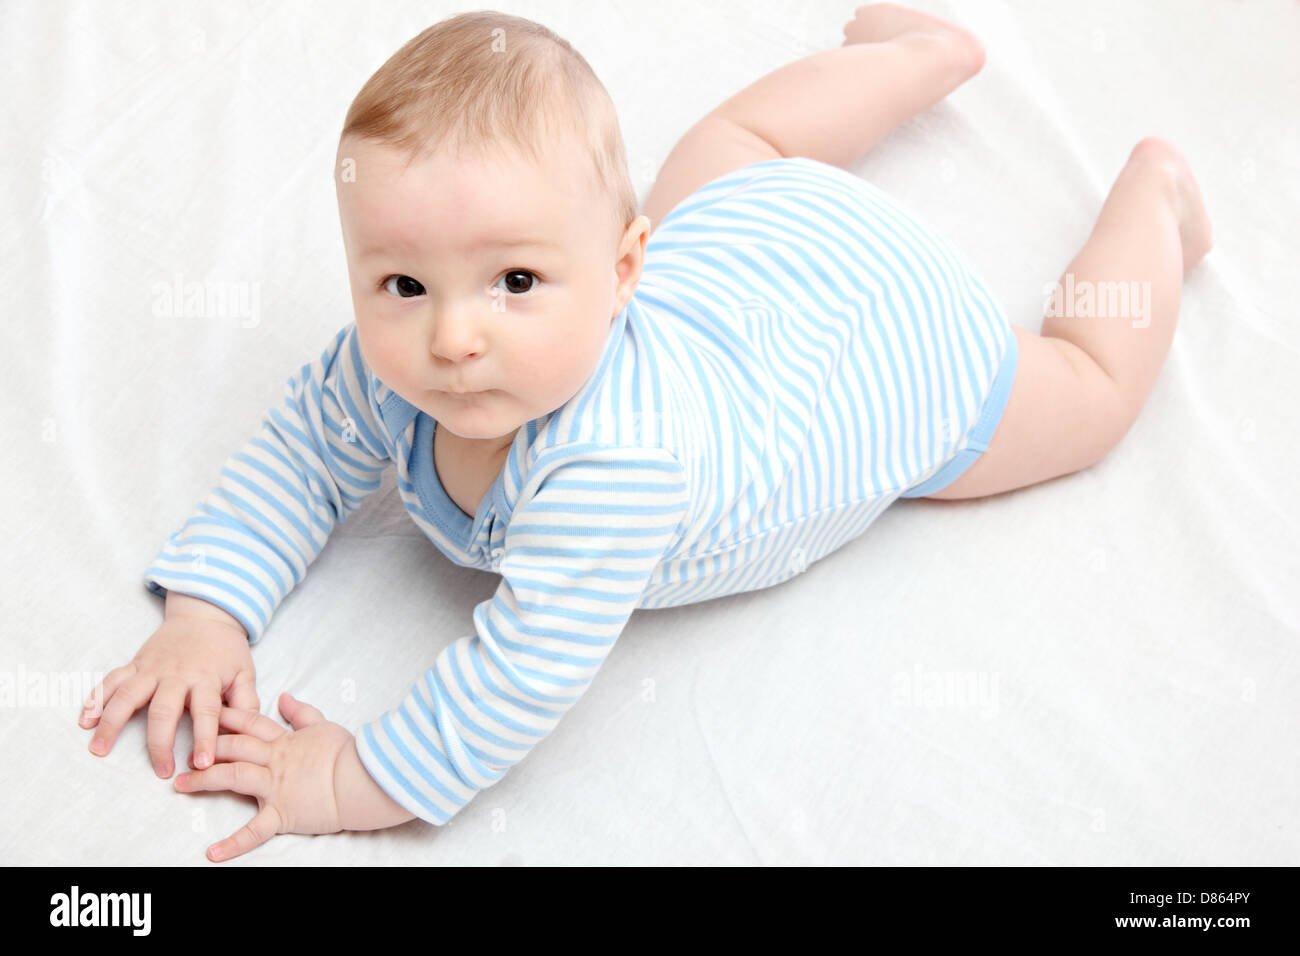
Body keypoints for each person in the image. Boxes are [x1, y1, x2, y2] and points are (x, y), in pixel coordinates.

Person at [79, 4, 1212, 862]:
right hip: (748, 240)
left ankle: (1153, 198)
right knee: (738, 139)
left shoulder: (608, 465)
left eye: (515, 278)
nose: (454, 335)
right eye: (403, 282)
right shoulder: (395, 367)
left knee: (1085, 388)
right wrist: (204, 615)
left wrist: (348, 775)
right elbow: (296, 455)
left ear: (625, 269)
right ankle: (913, 56)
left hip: (876, 348)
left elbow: (515, 673)